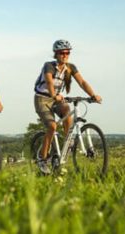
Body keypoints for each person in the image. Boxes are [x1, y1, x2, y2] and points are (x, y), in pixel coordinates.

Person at [34, 39, 102, 174]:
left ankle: (67, 141)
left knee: (66, 109)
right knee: (52, 126)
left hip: (57, 99)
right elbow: (49, 82)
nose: (65, 55)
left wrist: (93, 95)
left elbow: (82, 82)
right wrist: (54, 95)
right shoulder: (49, 66)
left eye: (67, 53)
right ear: (56, 54)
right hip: (42, 99)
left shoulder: (70, 67)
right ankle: (42, 159)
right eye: (61, 53)